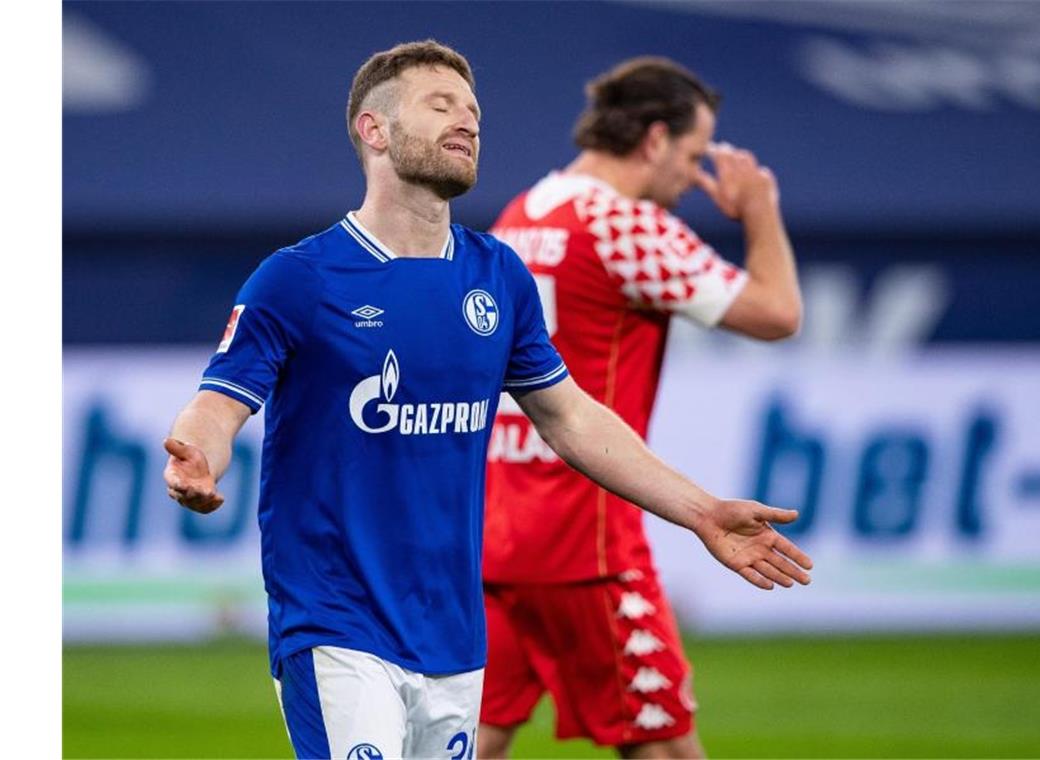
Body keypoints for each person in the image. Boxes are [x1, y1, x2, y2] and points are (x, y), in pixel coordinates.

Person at [163, 41, 811, 760]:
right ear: (373, 131)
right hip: (336, 623)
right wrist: (198, 454)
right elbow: (219, 403)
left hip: (454, 635)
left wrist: (703, 512)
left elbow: (570, 417)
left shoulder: (498, 272)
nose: (467, 122)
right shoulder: (297, 278)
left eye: (473, 111)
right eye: (440, 106)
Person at [479, 57, 804, 759]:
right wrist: (760, 210)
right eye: (691, 156)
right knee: (662, 749)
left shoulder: (524, 212)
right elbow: (778, 313)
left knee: (472, 738)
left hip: (498, 530)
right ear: (654, 140)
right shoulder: (625, 226)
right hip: (585, 537)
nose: (694, 177)